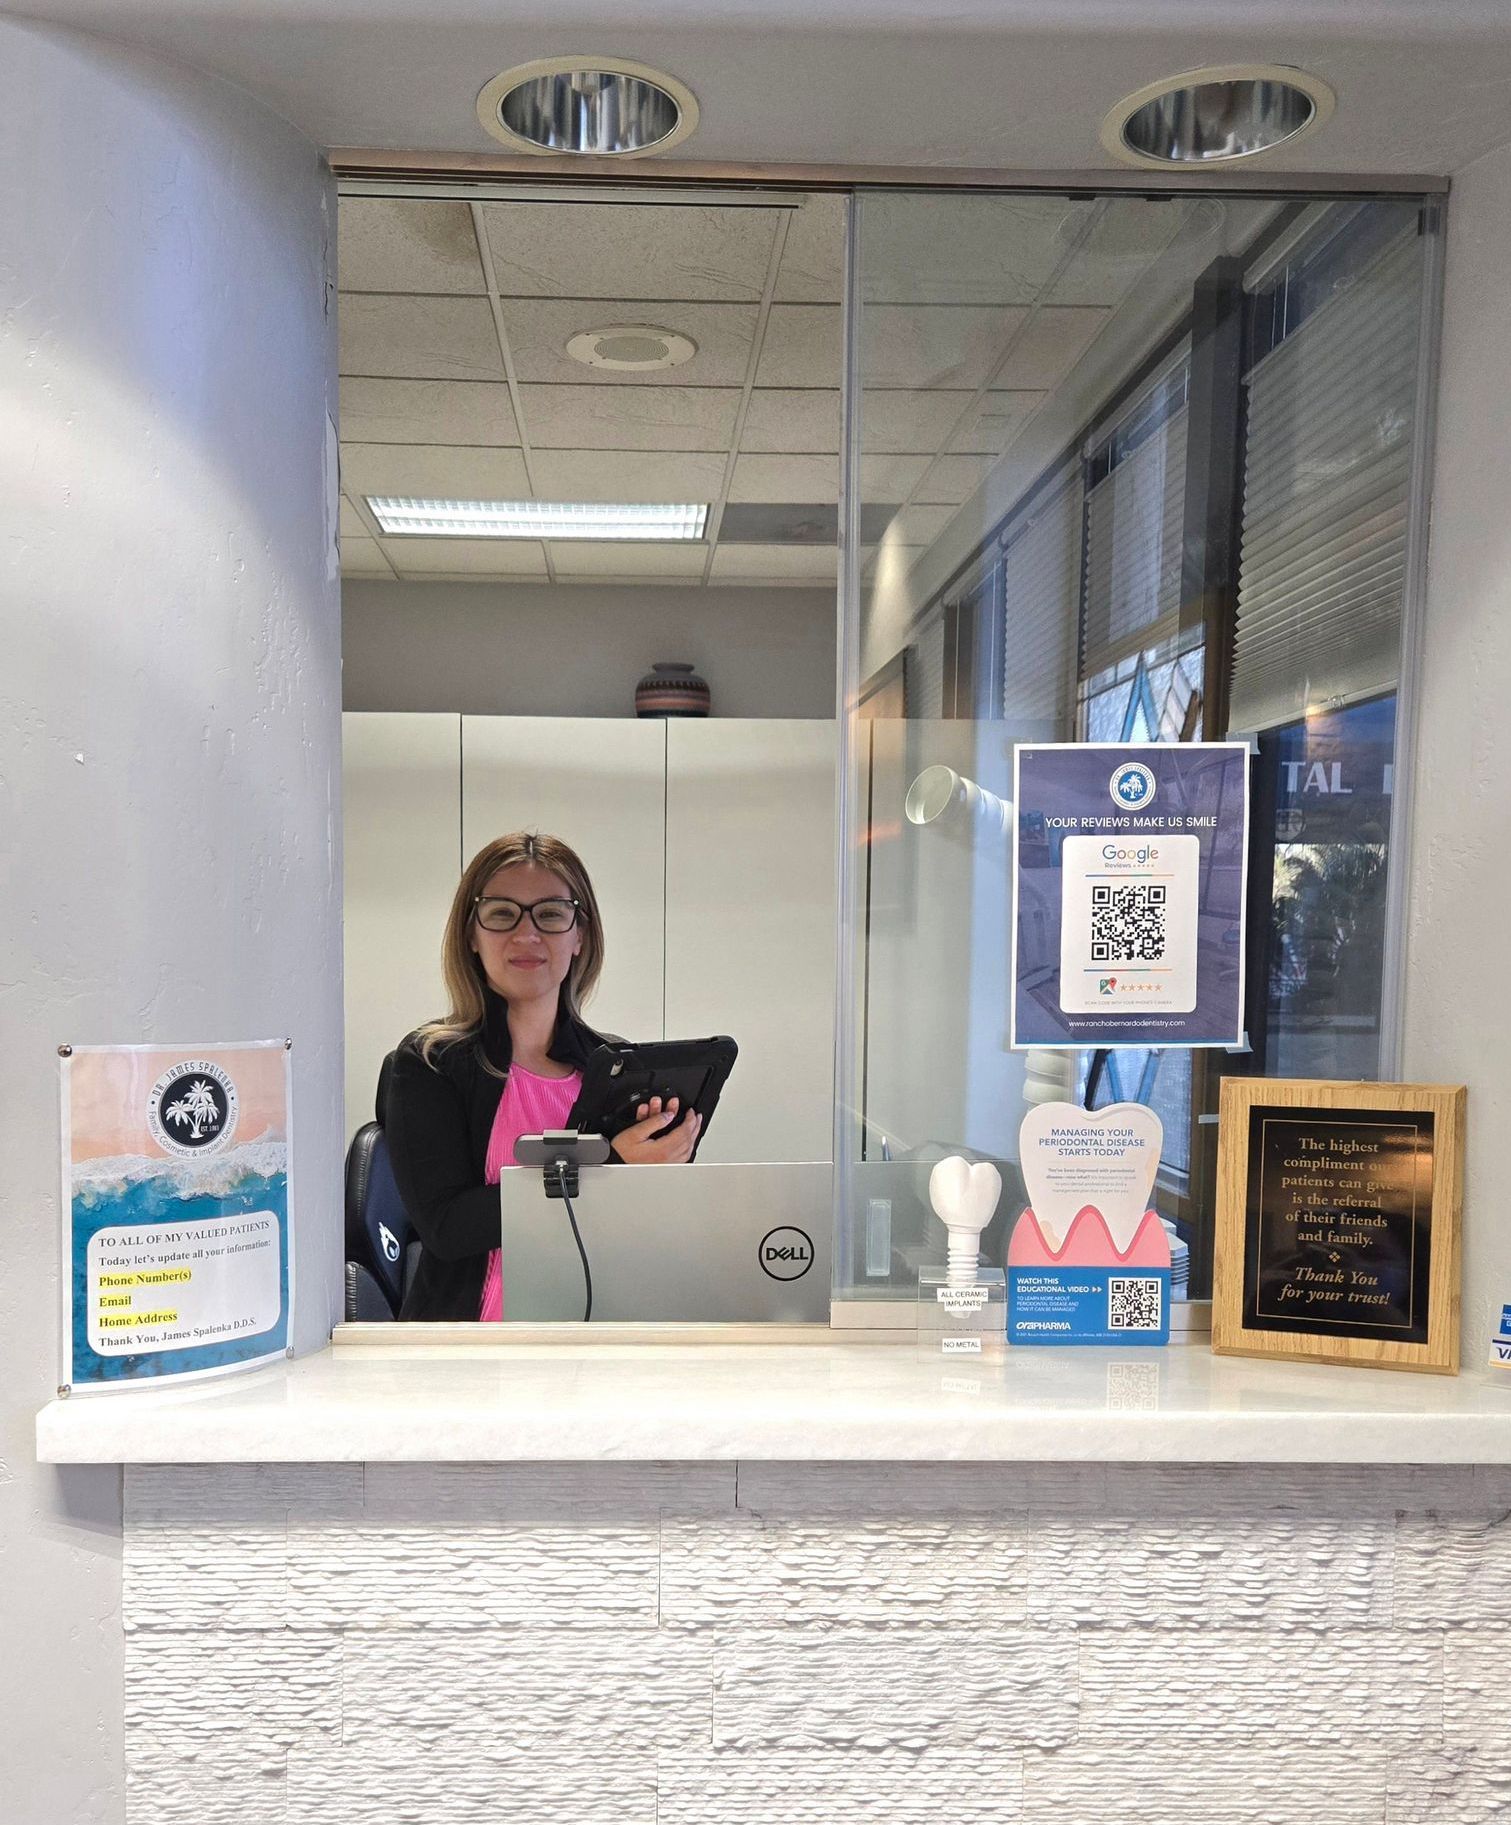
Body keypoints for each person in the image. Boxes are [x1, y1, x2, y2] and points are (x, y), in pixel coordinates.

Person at [385, 830, 699, 1321]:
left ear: (580, 936)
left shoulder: (615, 1064)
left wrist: (670, 1159)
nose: (526, 934)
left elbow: (645, 1228)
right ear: (471, 933)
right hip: (467, 1356)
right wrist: (611, 1168)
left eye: (551, 914)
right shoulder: (426, 1065)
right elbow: (449, 1227)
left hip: (596, 1331)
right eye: (502, 913)